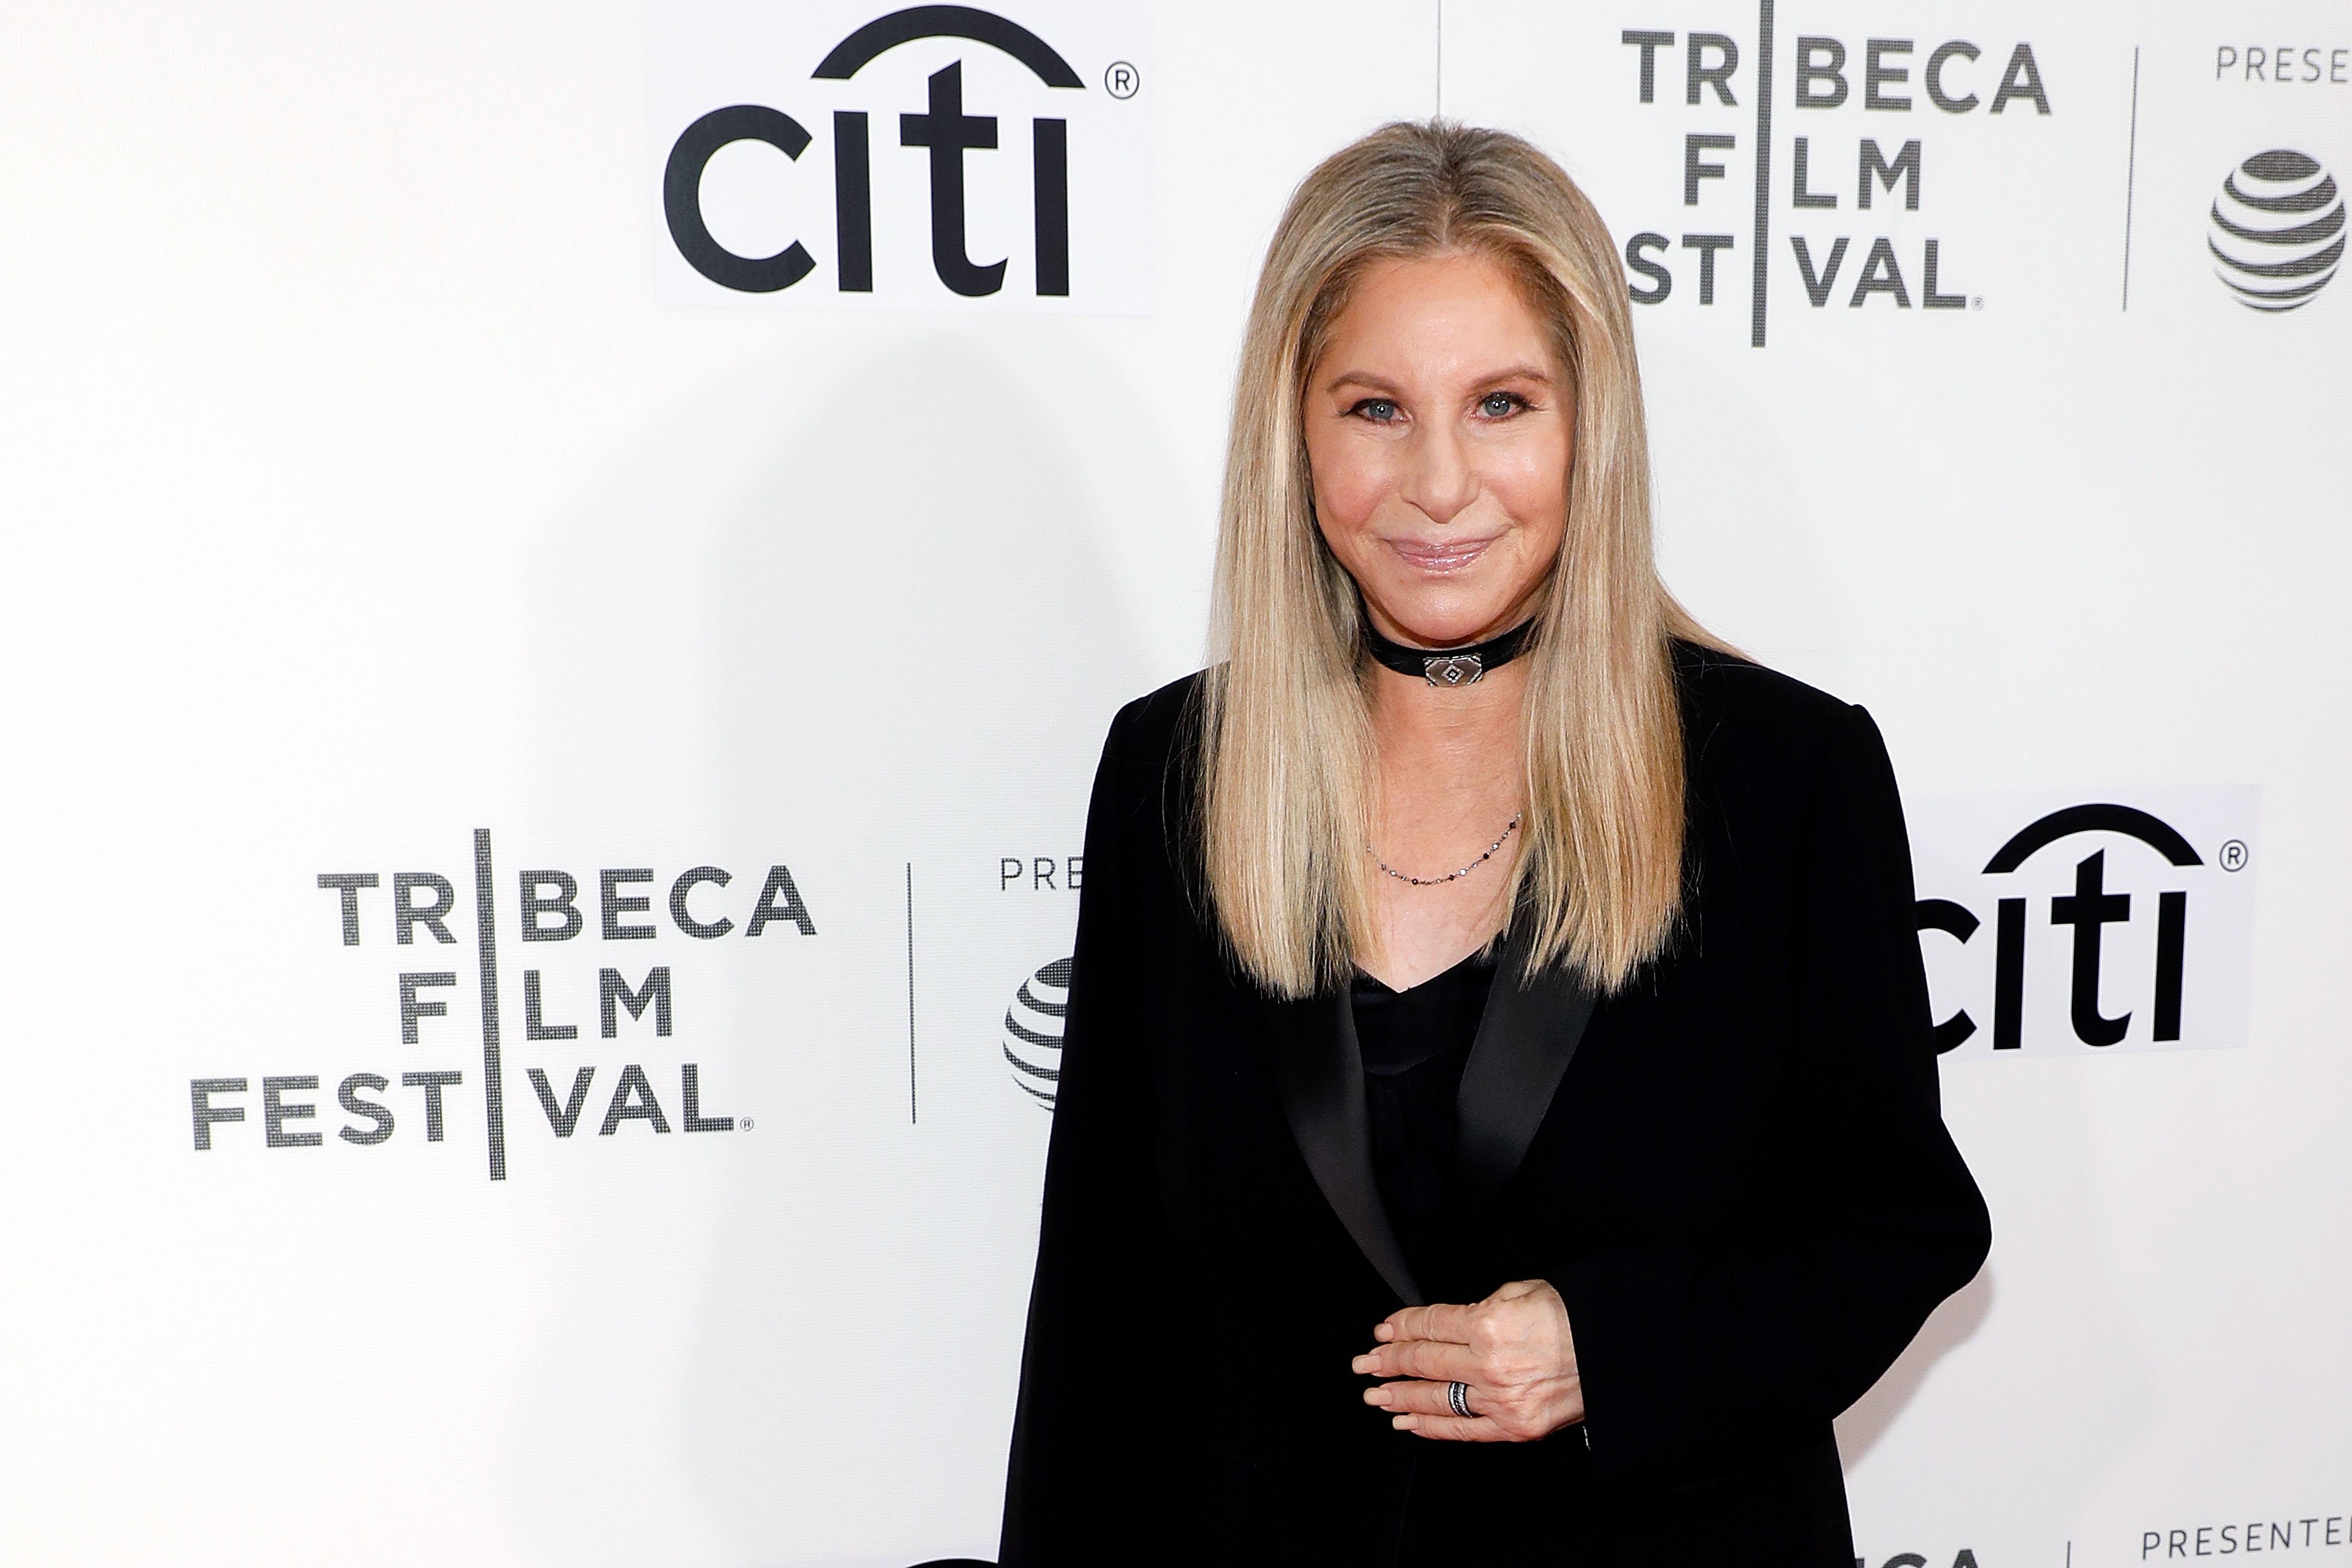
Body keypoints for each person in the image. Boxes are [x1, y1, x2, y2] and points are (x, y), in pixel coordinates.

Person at [997, 120, 1991, 1567]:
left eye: (1504, 404)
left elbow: (1901, 1227)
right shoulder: (1174, 773)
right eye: (1377, 409)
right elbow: (1101, 1307)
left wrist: (1610, 1349)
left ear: (1589, 422)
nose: (1442, 485)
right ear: (1296, 429)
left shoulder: (1786, 777)